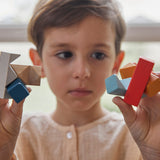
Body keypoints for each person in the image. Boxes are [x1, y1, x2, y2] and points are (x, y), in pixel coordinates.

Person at [0, 0, 160, 159]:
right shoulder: (15, 133)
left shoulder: (139, 135)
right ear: (38, 62)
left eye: (98, 55)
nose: (82, 72)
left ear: (116, 64)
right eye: (64, 54)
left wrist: (154, 154)